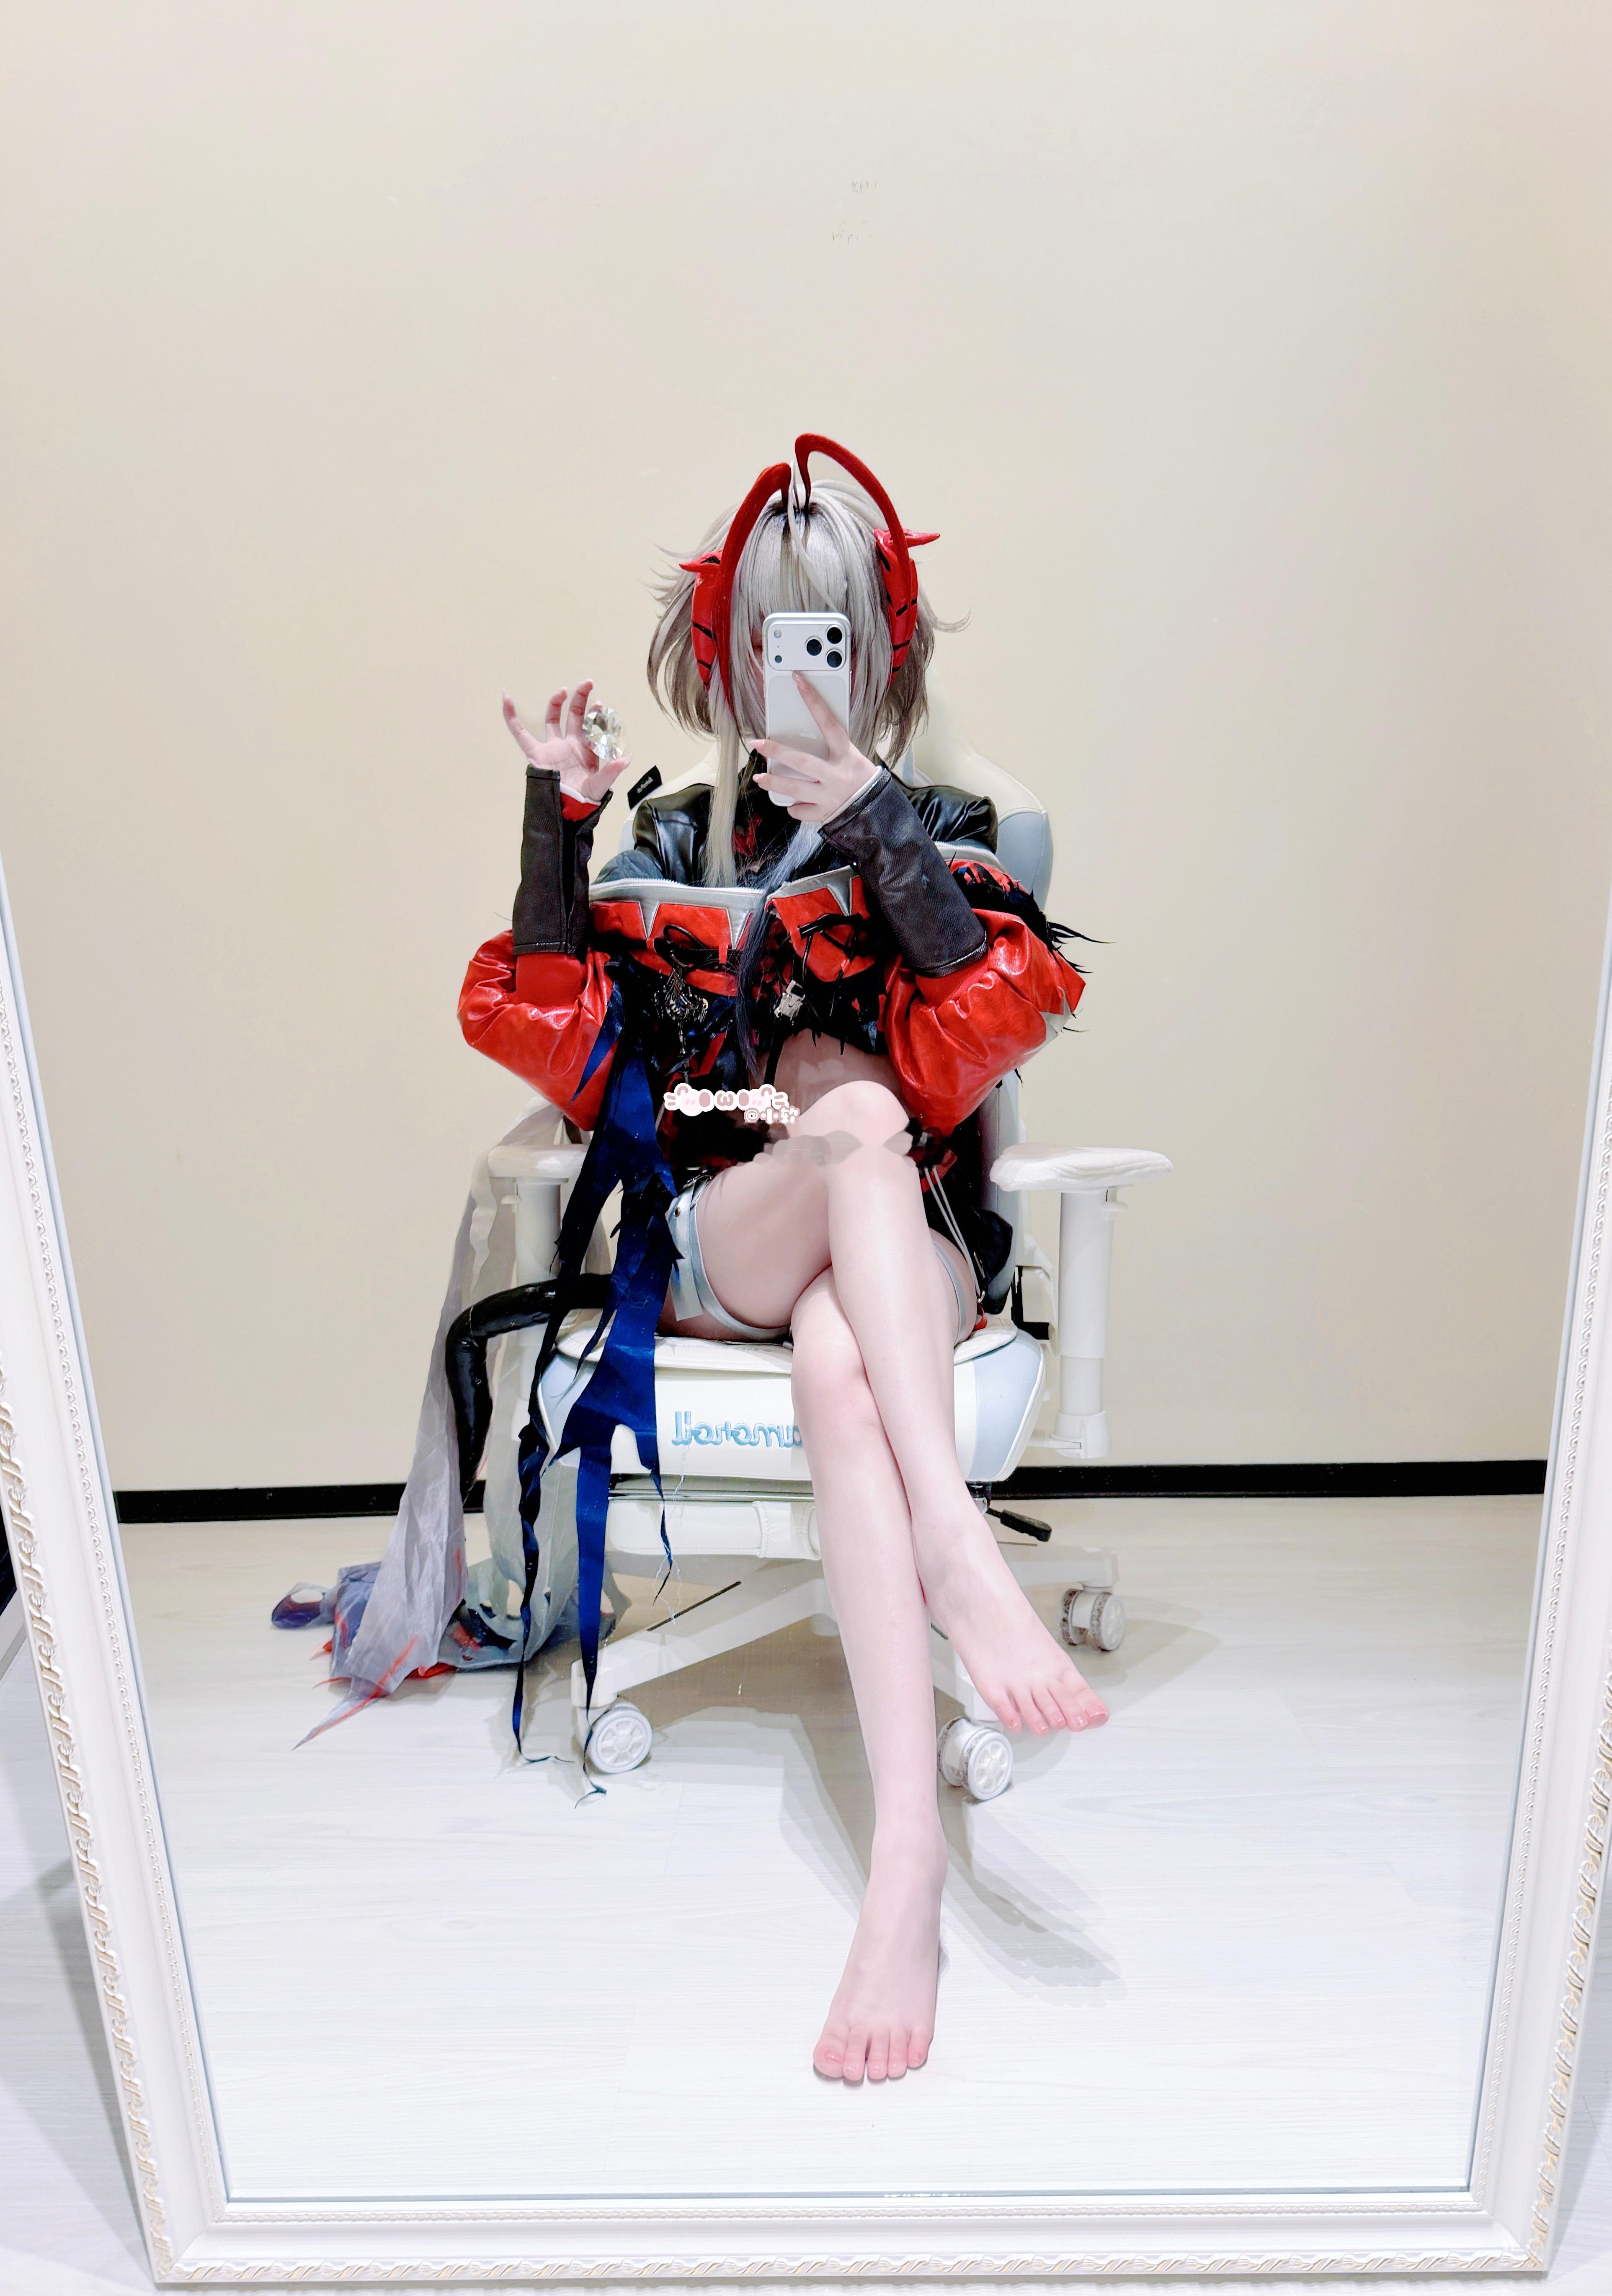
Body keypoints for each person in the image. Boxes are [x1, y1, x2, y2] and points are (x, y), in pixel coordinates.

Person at [458, 437, 1108, 2086]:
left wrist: (881, 832)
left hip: (895, 1247)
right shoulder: (670, 832)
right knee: (843, 1112)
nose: (796, 669)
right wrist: (559, 814)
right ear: (726, 652)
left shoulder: (946, 830)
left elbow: (975, 1046)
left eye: (828, 637)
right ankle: (958, 1544)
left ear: (877, 653)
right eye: (770, 638)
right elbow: (567, 1049)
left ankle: (905, 1872)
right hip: (727, 1238)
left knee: (844, 1315)